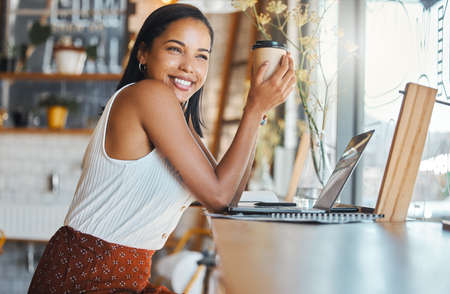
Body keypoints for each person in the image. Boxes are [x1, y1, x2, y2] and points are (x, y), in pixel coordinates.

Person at [28, 3, 295, 294]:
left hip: (122, 280)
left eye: (201, 56)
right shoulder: (149, 95)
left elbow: (230, 196)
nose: (189, 66)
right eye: (175, 49)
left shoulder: (177, 119)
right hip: (85, 278)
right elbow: (219, 196)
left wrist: (258, 111)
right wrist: (254, 109)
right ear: (143, 53)